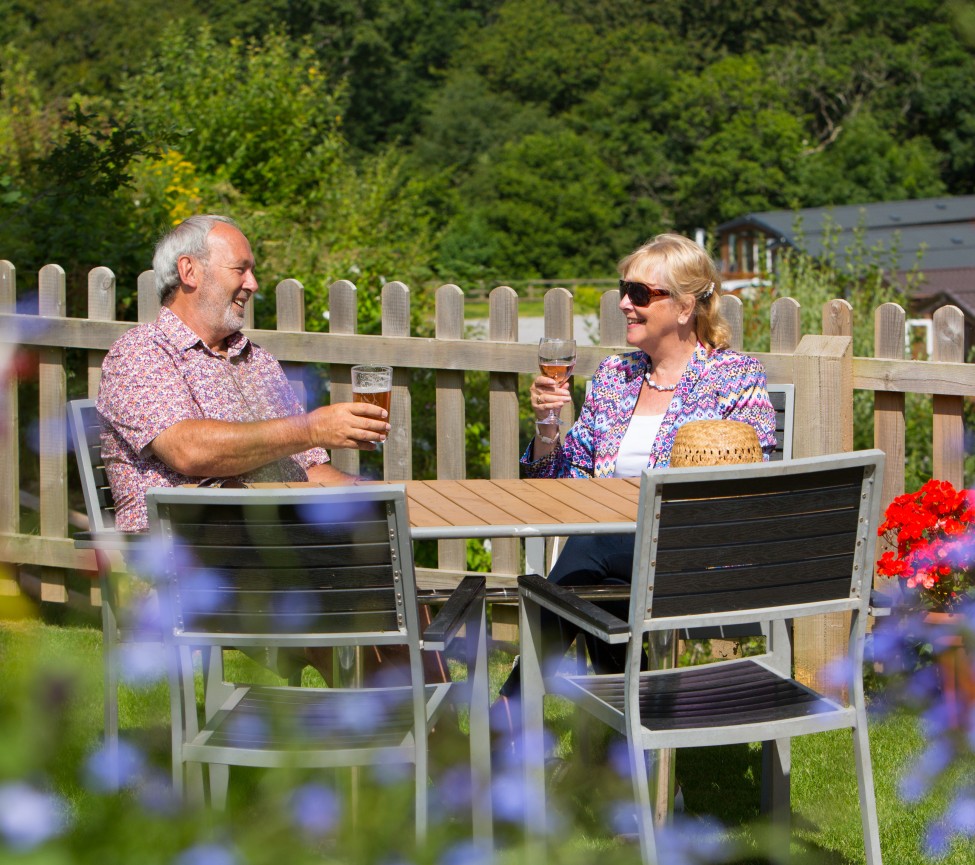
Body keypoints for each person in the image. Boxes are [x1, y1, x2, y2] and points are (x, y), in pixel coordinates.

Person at [96, 214, 445, 684]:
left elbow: (309, 471)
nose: (253, 284)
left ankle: (431, 741)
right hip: (188, 564)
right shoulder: (140, 355)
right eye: (241, 269)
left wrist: (388, 498)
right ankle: (395, 737)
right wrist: (310, 427)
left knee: (389, 576)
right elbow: (187, 450)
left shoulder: (256, 361)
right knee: (342, 589)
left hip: (274, 546)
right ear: (189, 271)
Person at [494, 233, 777, 731]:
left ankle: (506, 720)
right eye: (625, 289)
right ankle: (634, 740)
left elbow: (749, 479)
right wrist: (546, 426)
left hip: (694, 552)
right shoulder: (614, 376)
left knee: (586, 557)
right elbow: (559, 479)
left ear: (686, 306)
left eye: (641, 294)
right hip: (620, 563)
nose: (625, 302)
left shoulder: (736, 376)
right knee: (594, 573)